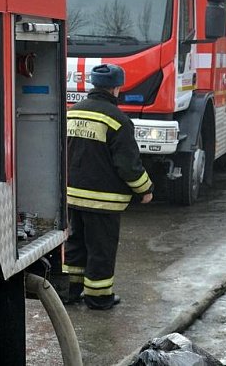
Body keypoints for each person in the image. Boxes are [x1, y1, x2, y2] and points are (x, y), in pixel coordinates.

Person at [63, 63, 153, 310]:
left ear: (94, 85)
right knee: (101, 249)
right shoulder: (118, 121)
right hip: (103, 201)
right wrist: (145, 189)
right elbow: (128, 165)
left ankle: (69, 292)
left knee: (75, 245)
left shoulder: (73, 112)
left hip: (72, 196)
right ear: (116, 88)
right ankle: (99, 298)